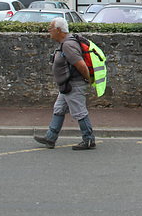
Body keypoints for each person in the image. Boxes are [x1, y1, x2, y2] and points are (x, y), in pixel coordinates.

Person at [34, 18, 96, 150]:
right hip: (66, 85)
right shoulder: (65, 42)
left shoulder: (68, 45)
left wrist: (88, 80)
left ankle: (89, 139)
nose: (49, 31)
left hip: (73, 85)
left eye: (51, 28)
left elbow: (81, 66)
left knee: (79, 112)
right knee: (59, 109)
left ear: (58, 30)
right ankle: (50, 138)